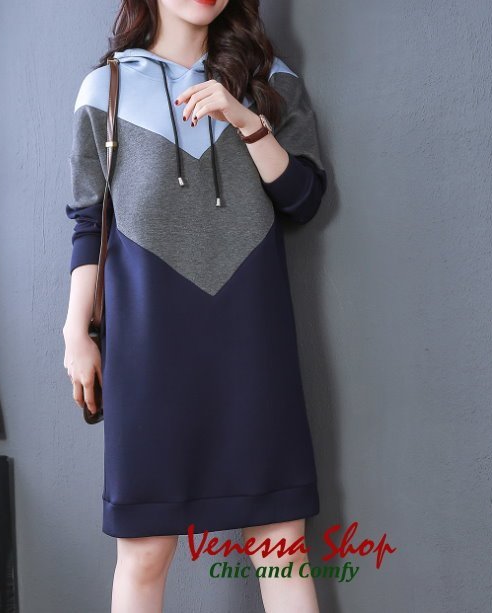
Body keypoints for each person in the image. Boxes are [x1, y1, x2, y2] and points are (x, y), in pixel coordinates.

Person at [63, 0, 328, 610]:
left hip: (252, 345)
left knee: (281, 545)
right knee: (143, 554)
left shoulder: (269, 78)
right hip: (147, 350)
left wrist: (244, 118)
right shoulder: (105, 89)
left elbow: (304, 199)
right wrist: (76, 332)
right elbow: (89, 221)